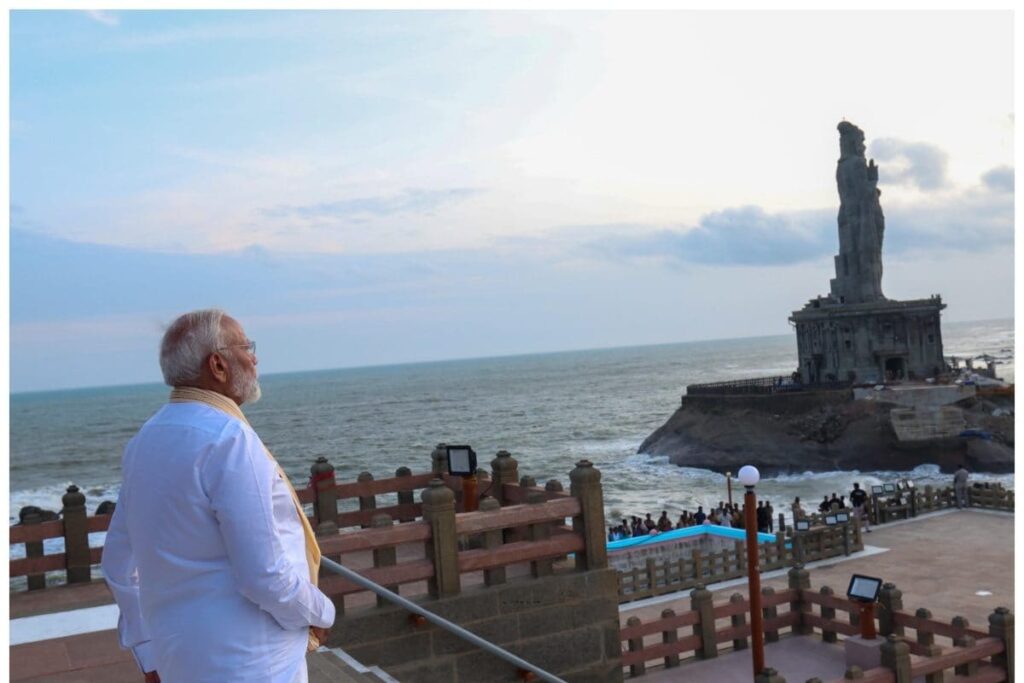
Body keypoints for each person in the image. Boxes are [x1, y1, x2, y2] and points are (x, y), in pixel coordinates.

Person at [102, 310, 335, 683]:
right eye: (247, 347)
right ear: (218, 365)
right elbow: (264, 577)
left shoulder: (145, 440)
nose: (255, 359)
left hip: (180, 657)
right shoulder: (230, 440)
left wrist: (148, 652)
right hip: (254, 663)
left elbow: (117, 563)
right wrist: (320, 612)